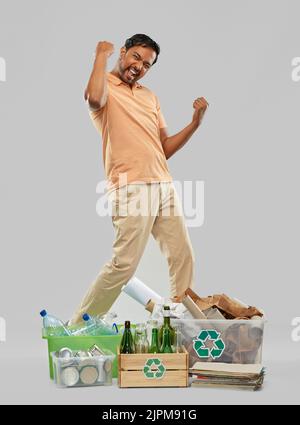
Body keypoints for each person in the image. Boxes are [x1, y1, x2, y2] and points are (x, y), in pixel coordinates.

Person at [70, 34, 208, 324]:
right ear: (123, 52)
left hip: (163, 184)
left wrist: (195, 124)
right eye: (135, 57)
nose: (139, 67)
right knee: (124, 264)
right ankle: (79, 327)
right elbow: (93, 98)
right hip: (131, 187)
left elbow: (164, 147)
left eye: (147, 64)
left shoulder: (149, 96)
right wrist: (100, 55)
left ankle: (181, 325)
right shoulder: (104, 84)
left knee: (183, 257)